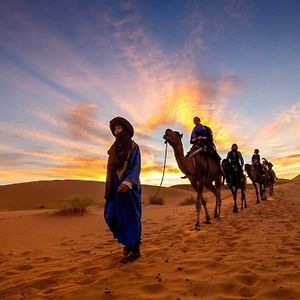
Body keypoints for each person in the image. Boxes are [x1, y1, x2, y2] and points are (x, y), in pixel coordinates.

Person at [104, 116, 142, 263]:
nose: (116, 131)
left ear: (125, 130)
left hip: (130, 188)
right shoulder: (113, 150)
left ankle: (135, 249)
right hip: (114, 187)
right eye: (115, 129)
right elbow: (111, 169)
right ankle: (127, 243)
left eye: (119, 128)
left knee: (131, 218)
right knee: (111, 215)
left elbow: (135, 167)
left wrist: (127, 183)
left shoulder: (134, 147)